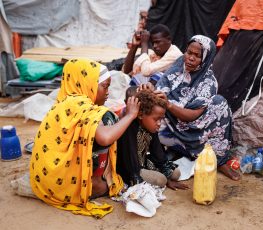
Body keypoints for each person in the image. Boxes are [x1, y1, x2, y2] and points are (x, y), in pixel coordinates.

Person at [29, 58, 140, 218]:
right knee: (108, 120)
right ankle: (93, 181)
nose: (108, 92)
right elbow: (105, 138)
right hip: (62, 186)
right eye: (104, 86)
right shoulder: (84, 109)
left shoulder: (65, 102)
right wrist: (130, 115)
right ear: (87, 84)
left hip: (46, 178)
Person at [154, 35, 241, 181]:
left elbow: (192, 115)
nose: (190, 58)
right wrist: (155, 92)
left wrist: (169, 104)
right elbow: (162, 85)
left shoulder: (208, 82)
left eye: (197, 55)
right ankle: (176, 149)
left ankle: (218, 160)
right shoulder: (178, 64)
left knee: (220, 104)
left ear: (206, 58)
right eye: (189, 52)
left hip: (193, 125)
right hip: (169, 122)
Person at [117, 88, 189, 190]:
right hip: (130, 169)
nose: (159, 123)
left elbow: (158, 153)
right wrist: (166, 180)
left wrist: (167, 175)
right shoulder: (129, 128)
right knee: (161, 180)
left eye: (161, 119)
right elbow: (130, 163)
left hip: (143, 162)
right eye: (156, 119)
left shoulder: (151, 127)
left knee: (176, 174)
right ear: (141, 115)